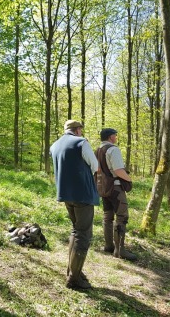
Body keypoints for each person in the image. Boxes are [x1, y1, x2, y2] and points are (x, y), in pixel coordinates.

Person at [50, 120, 99, 290]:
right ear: (77, 130)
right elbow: (95, 165)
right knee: (83, 233)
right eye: (80, 129)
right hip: (82, 193)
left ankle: (73, 270)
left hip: (65, 194)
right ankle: (74, 279)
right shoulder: (81, 142)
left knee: (75, 230)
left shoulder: (55, 145)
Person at [97, 128, 137, 261]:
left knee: (107, 216)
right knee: (122, 216)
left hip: (103, 188)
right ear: (110, 137)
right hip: (115, 188)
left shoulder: (97, 150)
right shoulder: (113, 150)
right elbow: (119, 170)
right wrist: (129, 179)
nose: (116, 137)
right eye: (115, 135)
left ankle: (108, 245)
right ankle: (120, 251)